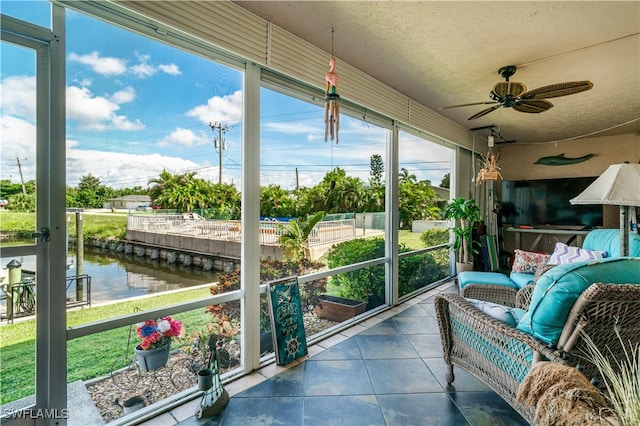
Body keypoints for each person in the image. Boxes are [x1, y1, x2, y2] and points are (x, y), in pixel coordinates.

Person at [324, 57, 340, 143]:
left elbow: (330, 85)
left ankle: (333, 134)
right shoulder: (330, 75)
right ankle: (331, 134)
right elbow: (331, 85)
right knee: (329, 112)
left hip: (332, 95)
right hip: (332, 95)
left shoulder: (330, 75)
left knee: (335, 114)